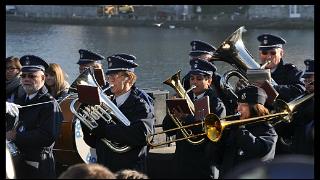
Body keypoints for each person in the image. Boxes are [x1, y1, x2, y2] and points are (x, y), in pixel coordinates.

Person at [86, 55, 155, 173]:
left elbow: (142, 135)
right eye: (109, 76)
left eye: (114, 76)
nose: (110, 80)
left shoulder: (141, 106)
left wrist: (106, 130)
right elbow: (94, 142)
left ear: (129, 78)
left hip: (129, 171)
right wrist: (87, 125)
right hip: (105, 170)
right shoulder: (105, 106)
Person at [162, 58, 226, 178]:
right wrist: (172, 112)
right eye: (192, 78)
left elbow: (214, 132)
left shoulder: (216, 103)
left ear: (209, 81)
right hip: (182, 162)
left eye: (199, 78)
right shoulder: (184, 98)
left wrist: (186, 118)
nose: (194, 82)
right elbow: (167, 129)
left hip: (203, 163)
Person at [5, 55, 64, 178]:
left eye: (32, 76)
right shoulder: (19, 101)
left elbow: (48, 136)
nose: (26, 79)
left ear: (43, 78)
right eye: (23, 76)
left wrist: (17, 136)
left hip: (39, 164)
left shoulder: (49, 103)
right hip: (19, 163)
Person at [206, 85, 278, 178]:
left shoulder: (268, 130)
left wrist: (240, 129)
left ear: (256, 107)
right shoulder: (233, 128)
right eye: (238, 104)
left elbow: (260, 153)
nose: (238, 108)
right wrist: (217, 139)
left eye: (244, 105)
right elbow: (215, 158)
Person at [182, 40, 237, 115]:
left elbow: (230, 104)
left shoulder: (220, 80)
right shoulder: (186, 79)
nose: (196, 61)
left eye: (199, 57)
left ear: (209, 58)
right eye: (194, 58)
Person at [255, 34, 305, 102]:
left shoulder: (291, 71)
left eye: (273, 53)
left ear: (281, 53)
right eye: (264, 53)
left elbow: (301, 89)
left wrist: (272, 88)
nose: (268, 57)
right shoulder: (254, 71)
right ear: (260, 54)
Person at [279, 59, 314, 156]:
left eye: (310, 82)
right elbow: (288, 130)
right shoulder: (302, 99)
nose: (306, 85)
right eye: (305, 81)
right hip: (298, 151)